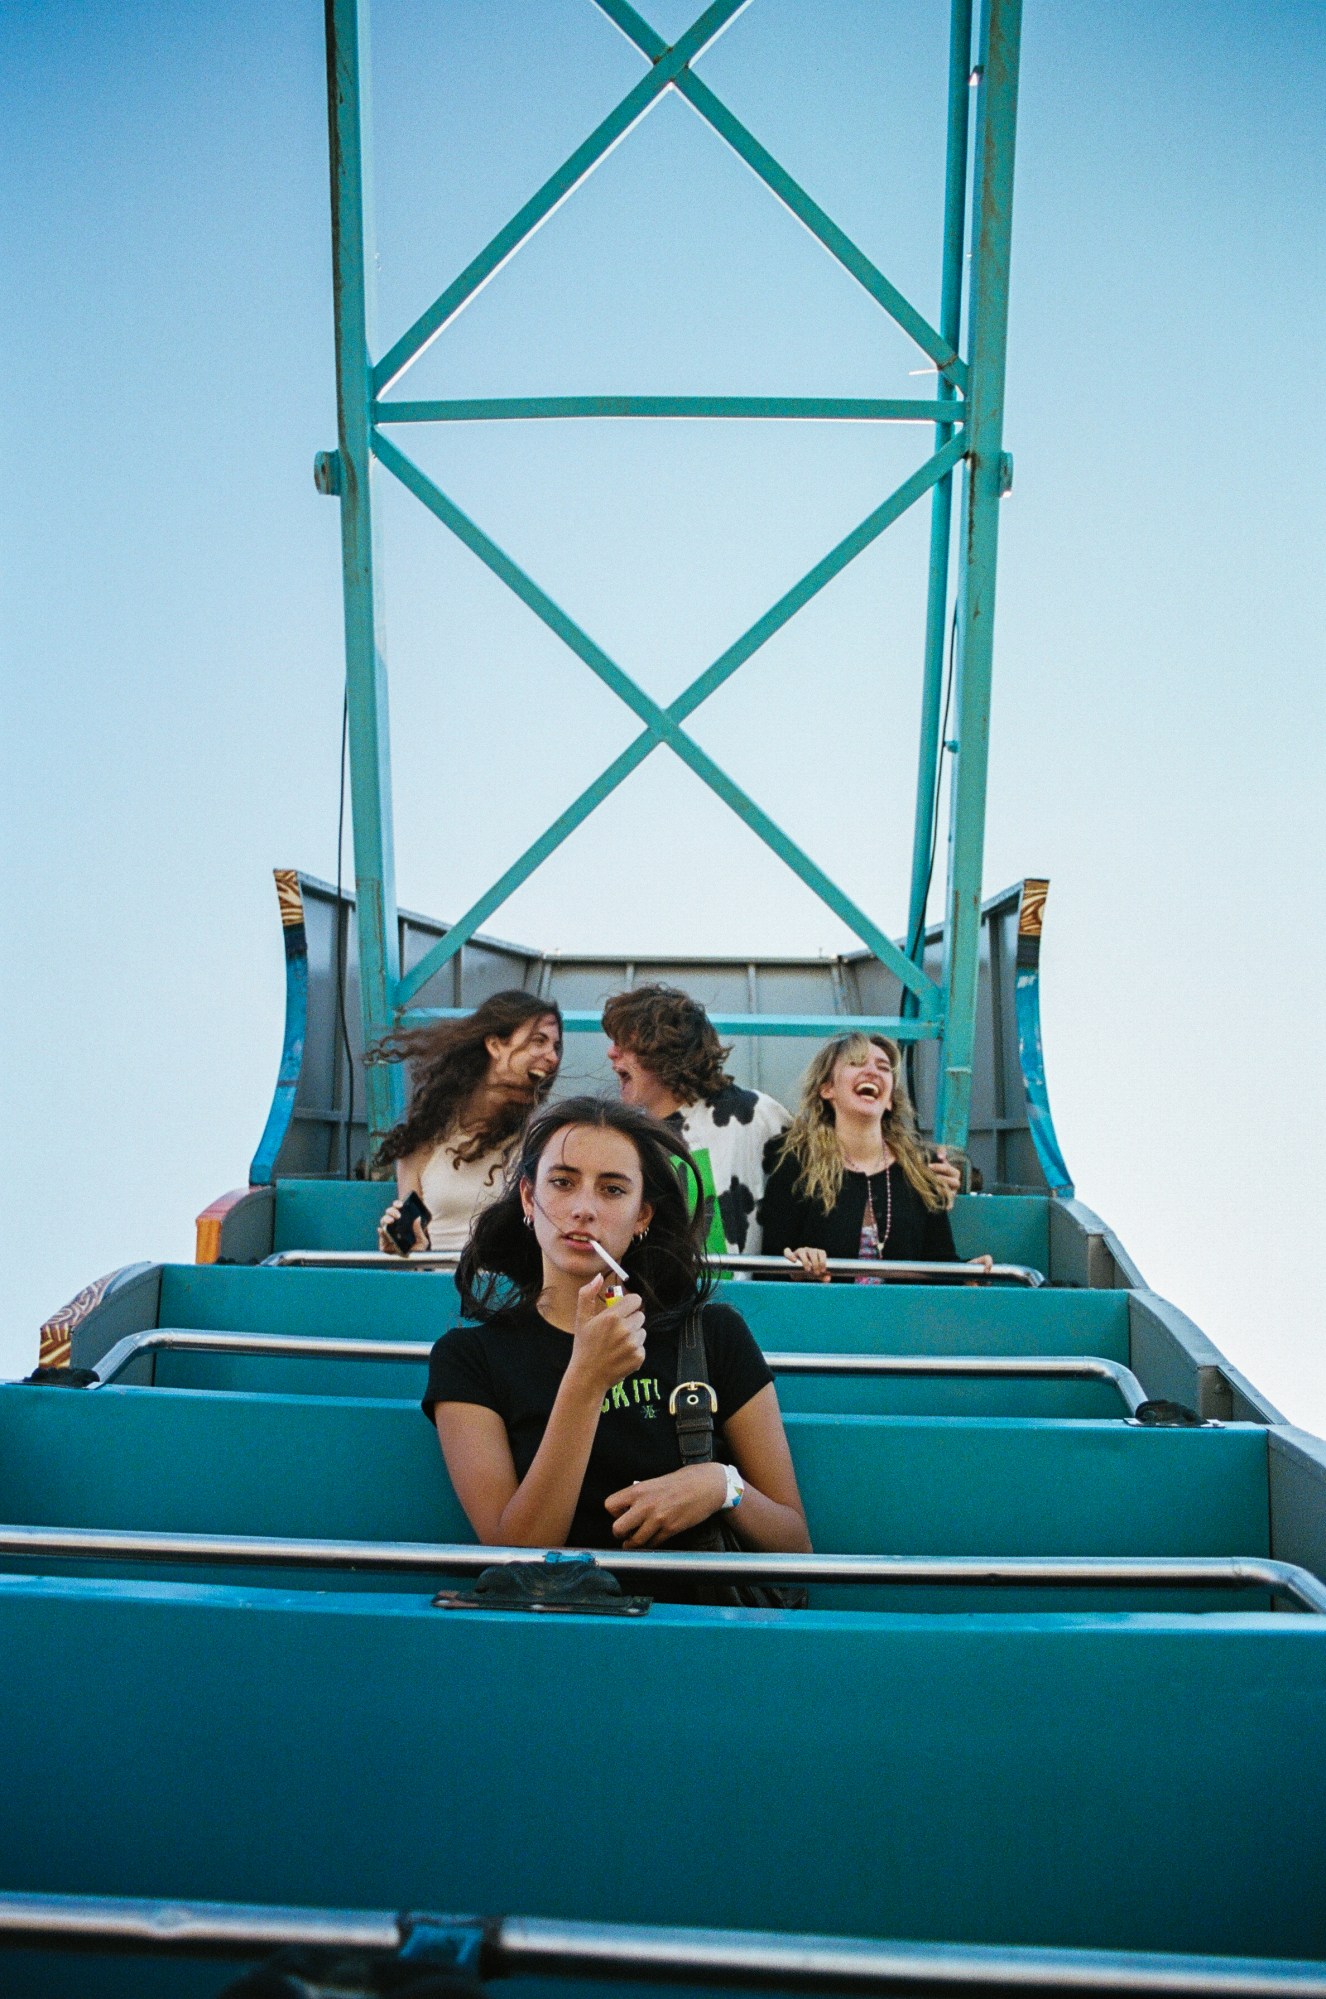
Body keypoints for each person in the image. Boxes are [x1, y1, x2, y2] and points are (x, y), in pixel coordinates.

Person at [422, 1096, 810, 1584]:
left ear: (642, 1216)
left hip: (699, 1635)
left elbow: (795, 1545)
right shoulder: (469, 1360)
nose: (583, 1209)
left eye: (612, 1190)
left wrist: (721, 1485)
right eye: (562, 1182)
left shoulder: (712, 1334)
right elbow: (516, 1554)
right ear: (527, 1198)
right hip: (559, 1636)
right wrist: (587, 1377)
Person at [758, 1032, 991, 1279]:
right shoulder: (796, 1164)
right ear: (827, 1089)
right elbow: (769, 1269)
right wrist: (799, 1268)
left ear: (890, 1100)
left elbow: (940, 1266)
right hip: (821, 1314)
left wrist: (969, 1274)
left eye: (883, 1068)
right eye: (857, 1063)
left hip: (903, 1316)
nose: (873, 1072)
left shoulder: (921, 1170)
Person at [600, 983, 791, 1255]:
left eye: (624, 1043)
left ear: (662, 1049)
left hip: (745, 1295)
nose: (611, 1052)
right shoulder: (625, 1138)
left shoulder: (754, 1114)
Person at [373, 991, 563, 1255]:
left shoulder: (544, 1140)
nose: (553, 1057)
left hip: (512, 1292)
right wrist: (399, 1247)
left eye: (555, 1047)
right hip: (438, 1288)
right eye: (538, 1041)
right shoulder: (423, 1141)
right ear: (495, 1045)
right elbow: (412, 1250)